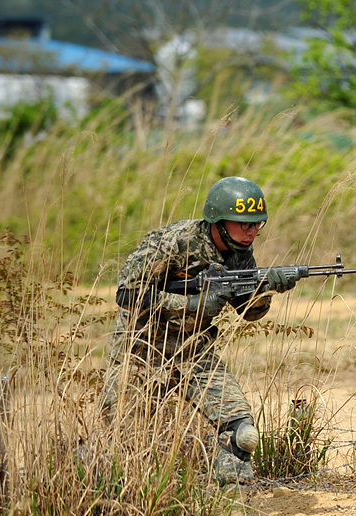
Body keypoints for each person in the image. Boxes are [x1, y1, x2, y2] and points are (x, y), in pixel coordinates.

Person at [102, 176, 298, 483]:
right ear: (218, 221)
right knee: (119, 446)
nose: (251, 232)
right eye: (243, 224)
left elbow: (247, 312)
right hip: (140, 349)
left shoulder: (241, 254)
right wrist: (193, 305)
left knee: (243, 433)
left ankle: (232, 497)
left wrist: (265, 290)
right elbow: (126, 294)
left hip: (196, 349)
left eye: (257, 225)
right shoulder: (174, 242)